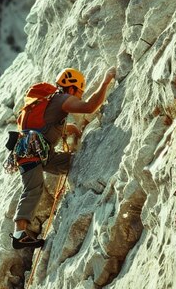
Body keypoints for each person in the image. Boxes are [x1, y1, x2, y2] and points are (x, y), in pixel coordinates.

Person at [9, 66, 116, 249]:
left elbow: (46, 127)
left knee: (74, 161)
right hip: (32, 153)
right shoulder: (62, 99)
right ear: (72, 87)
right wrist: (105, 82)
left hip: (37, 153)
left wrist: (70, 129)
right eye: (79, 92)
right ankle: (19, 236)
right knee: (33, 188)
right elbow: (89, 107)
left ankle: (21, 233)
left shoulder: (49, 101)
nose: (79, 96)